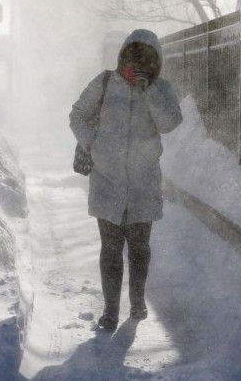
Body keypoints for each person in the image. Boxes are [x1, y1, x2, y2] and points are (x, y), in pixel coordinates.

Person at [69, 29, 183, 331]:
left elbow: (171, 123)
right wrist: (93, 143)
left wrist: (149, 91)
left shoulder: (161, 89)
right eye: (133, 57)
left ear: (156, 63)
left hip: (144, 182)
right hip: (107, 180)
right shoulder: (105, 82)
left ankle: (137, 301)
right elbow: (78, 114)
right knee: (110, 248)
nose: (137, 65)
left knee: (140, 247)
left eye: (146, 60)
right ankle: (109, 309)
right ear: (123, 57)